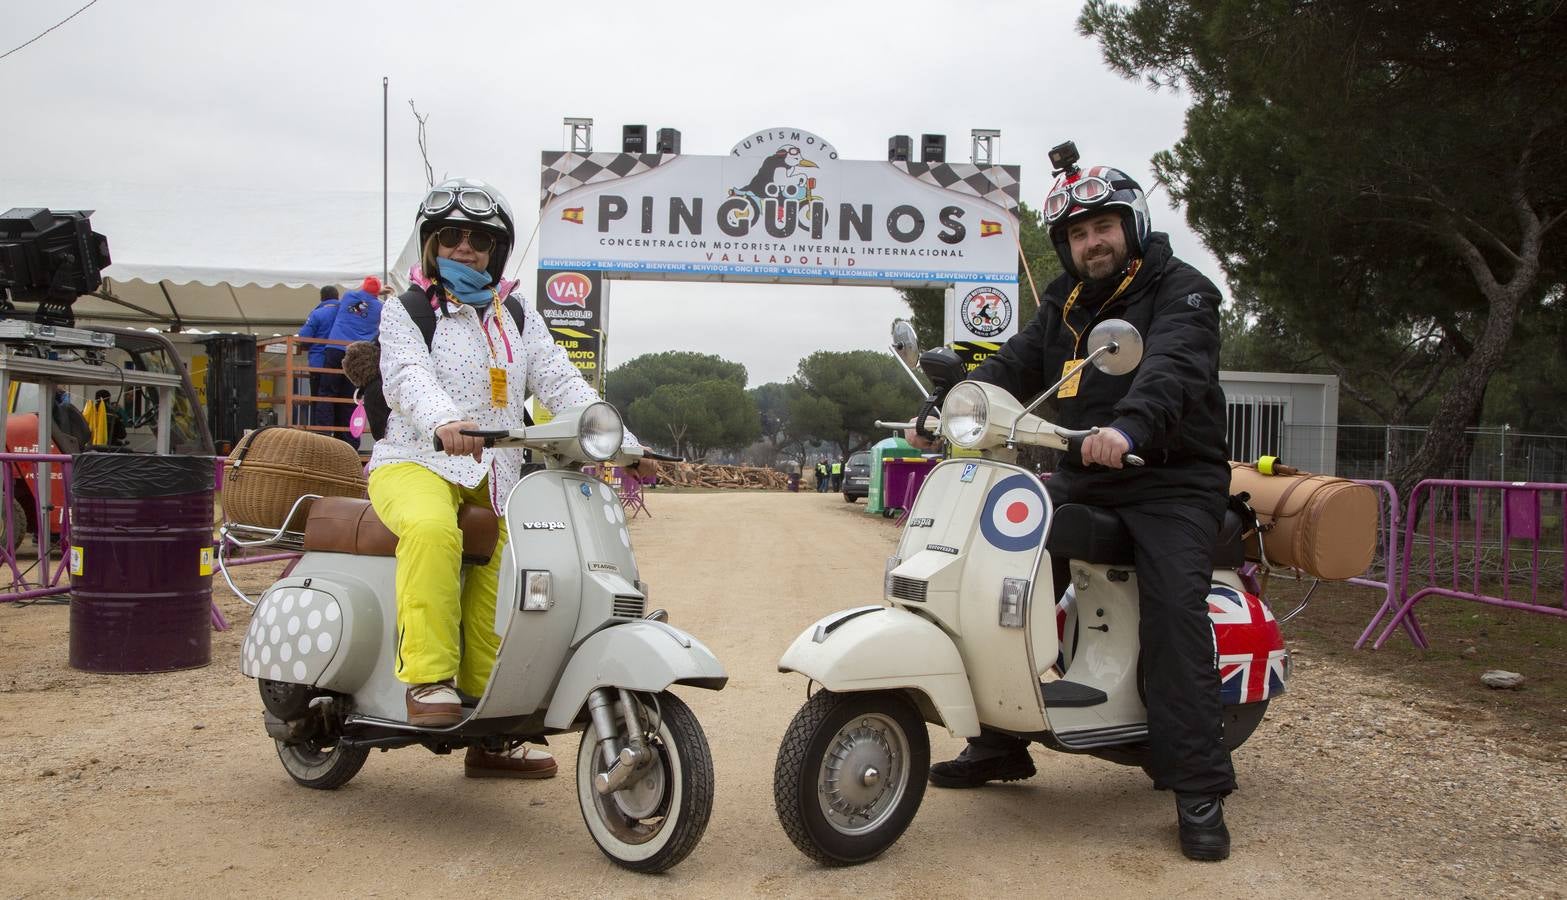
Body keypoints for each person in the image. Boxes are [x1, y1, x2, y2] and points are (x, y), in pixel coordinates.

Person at [911, 158, 1236, 861]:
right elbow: (1014, 365)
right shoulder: (1065, 300)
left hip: (1170, 479)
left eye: (1104, 226)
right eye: (1079, 233)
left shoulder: (1184, 292)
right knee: (998, 566)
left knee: (1174, 613)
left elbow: (1172, 368)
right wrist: (948, 409)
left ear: (1131, 228)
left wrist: (1128, 429)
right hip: (1082, 472)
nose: (1093, 242)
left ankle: (1198, 786)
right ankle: (1000, 740)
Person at [369, 177, 656, 780]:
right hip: (415, 461)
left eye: (479, 241)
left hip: (494, 472)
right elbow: (406, 376)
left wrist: (627, 447)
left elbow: (564, 387)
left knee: (505, 578)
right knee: (432, 532)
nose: (465, 250)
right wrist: (445, 419)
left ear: (496, 251)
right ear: (432, 248)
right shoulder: (409, 310)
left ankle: (489, 727)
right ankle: (428, 678)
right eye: (451, 239)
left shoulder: (518, 318)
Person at [322, 277, 385, 446]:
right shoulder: (380, 307)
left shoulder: (349, 296)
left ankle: (323, 435)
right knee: (350, 400)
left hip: (335, 349)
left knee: (327, 395)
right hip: (356, 357)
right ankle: (349, 442)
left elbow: (359, 294)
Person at [298, 285, 341, 428]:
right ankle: (341, 435)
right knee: (342, 401)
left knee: (319, 400)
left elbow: (304, 338)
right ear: (337, 297)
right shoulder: (345, 313)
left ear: (322, 297)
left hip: (319, 363)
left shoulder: (317, 314)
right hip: (342, 363)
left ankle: (321, 433)